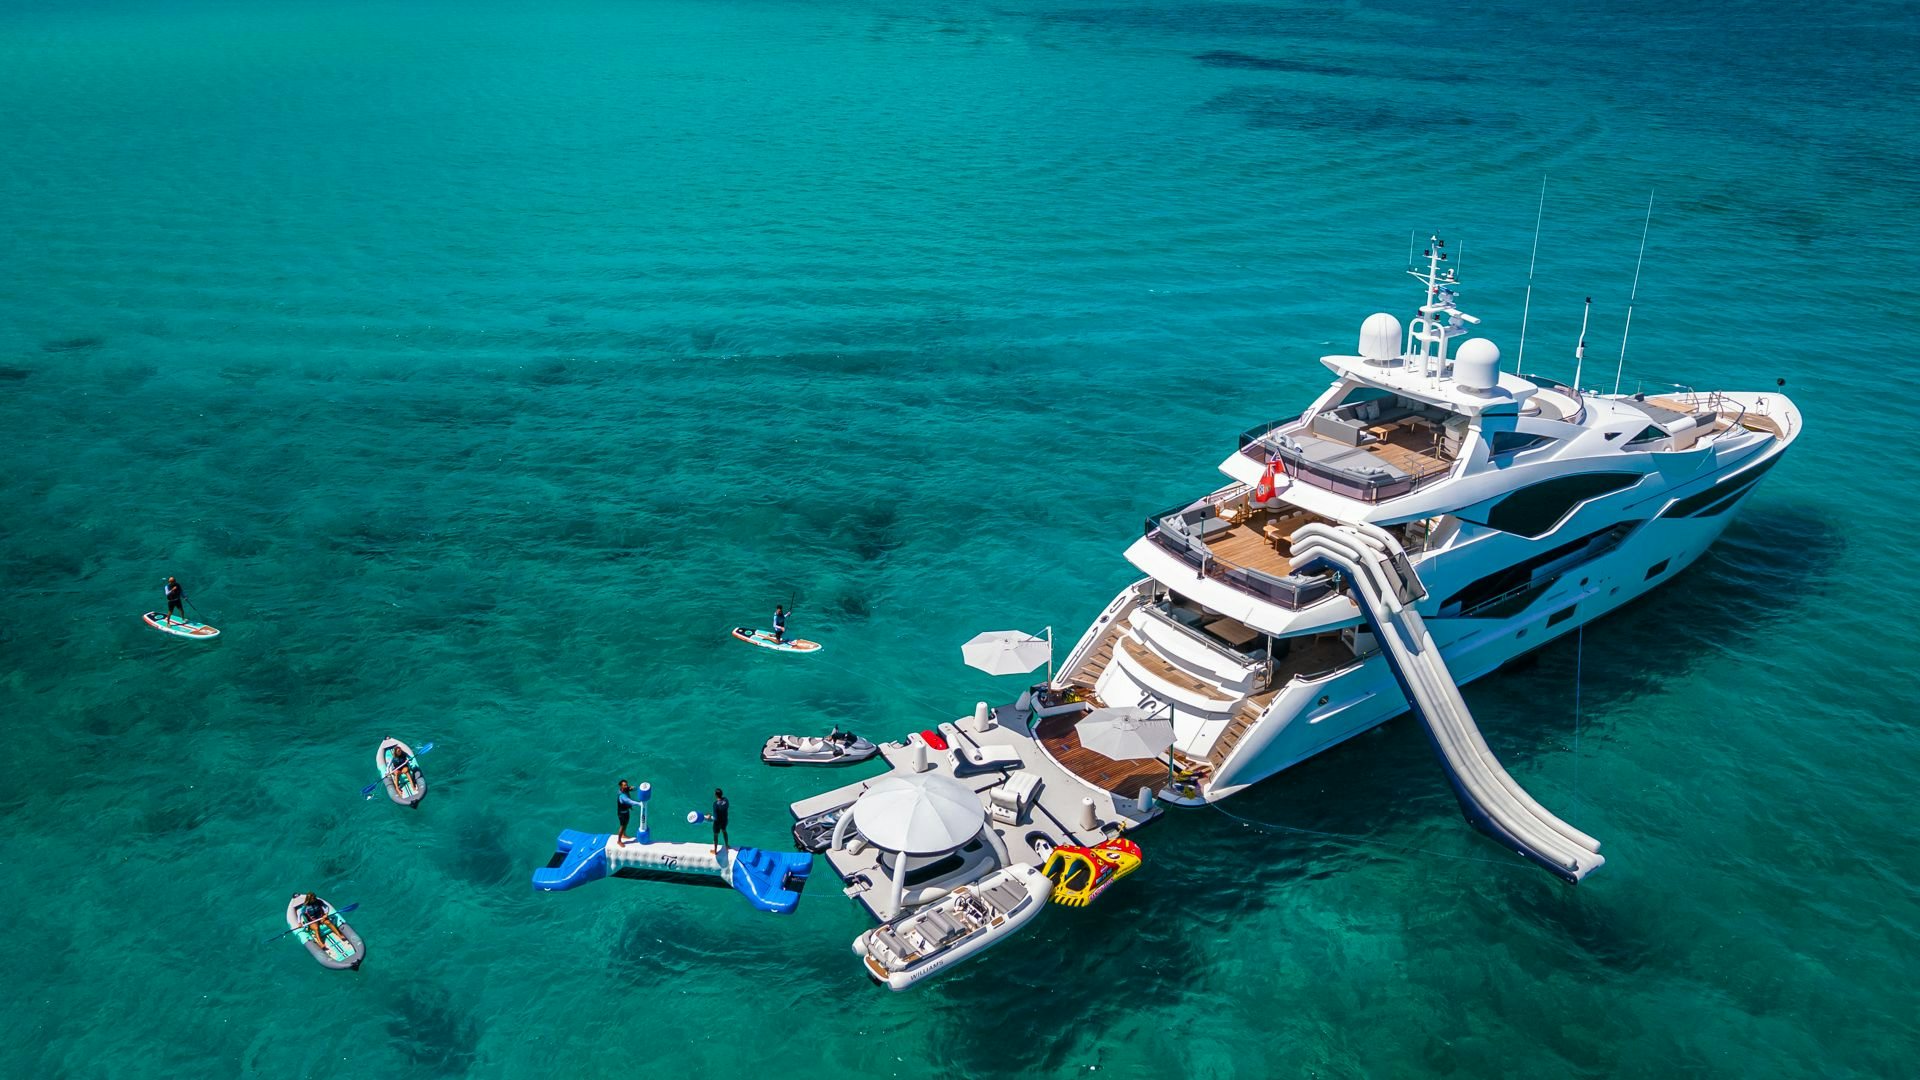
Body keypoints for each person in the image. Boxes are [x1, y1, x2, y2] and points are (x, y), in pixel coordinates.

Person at [617, 780, 643, 846]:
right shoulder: (622, 796)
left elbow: (634, 788)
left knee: (626, 823)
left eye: (626, 784)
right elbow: (630, 802)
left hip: (626, 811)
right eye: (624, 785)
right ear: (621, 786)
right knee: (622, 826)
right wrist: (639, 804)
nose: (626, 786)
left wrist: (635, 787)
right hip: (622, 813)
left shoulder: (625, 789)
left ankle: (624, 834)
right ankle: (619, 841)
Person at [710, 788, 730, 853]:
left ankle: (715, 851)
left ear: (715, 795)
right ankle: (727, 846)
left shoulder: (715, 804)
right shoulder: (726, 800)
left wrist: (709, 817)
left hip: (717, 822)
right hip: (724, 820)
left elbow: (715, 817)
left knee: (716, 835)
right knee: (724, 831)